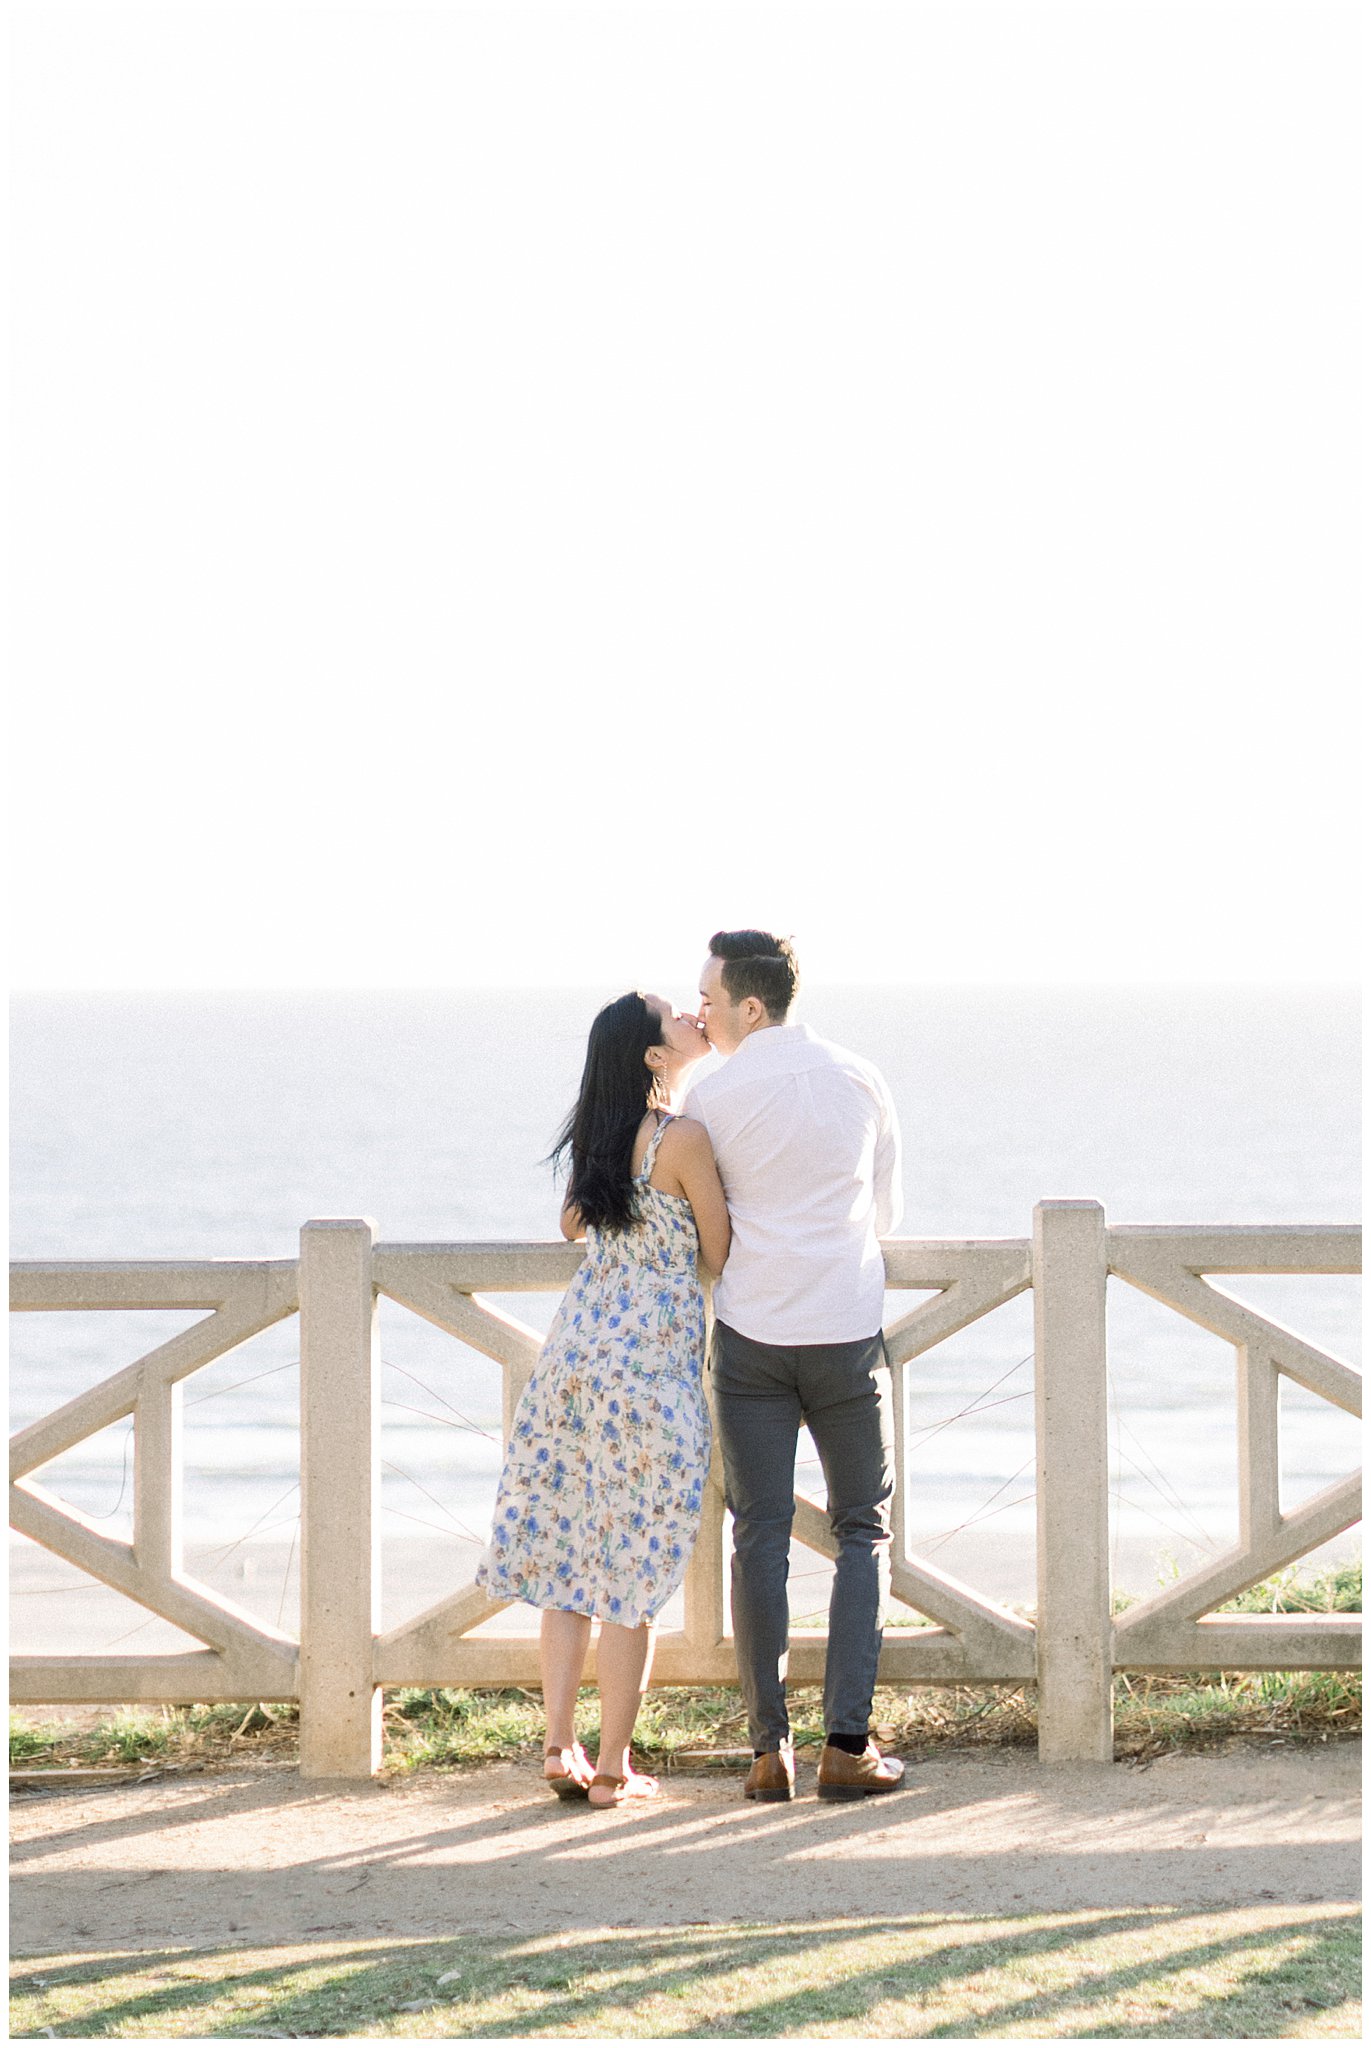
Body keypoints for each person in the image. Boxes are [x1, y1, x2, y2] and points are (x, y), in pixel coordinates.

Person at [476, 990, 729, 1808]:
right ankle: (615, 1768)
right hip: (647, 1371)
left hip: (576, 1357)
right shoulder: (680, 1139)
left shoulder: (602, 1133)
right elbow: (718, 1251)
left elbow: (571, 1225)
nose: (691, 1017)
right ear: (655, 1057)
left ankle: (560, 1747)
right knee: (631, 1573)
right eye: (673, 1016)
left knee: (566, 1562)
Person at [687, 929, 906, 1802]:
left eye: (708, 997)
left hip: (751, 1337)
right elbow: (886, 1212)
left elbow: (705, 1222)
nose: (699, 1010)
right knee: (862, 1531)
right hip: (845, 1330)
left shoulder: (712, 1097)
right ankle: (846, 1744)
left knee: (758, 1535)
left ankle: (766, 1751)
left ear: (750, 1004)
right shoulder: (859, 1076)